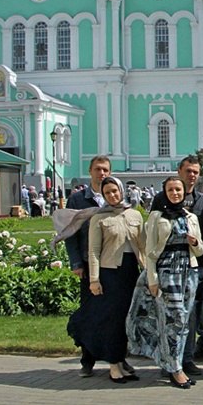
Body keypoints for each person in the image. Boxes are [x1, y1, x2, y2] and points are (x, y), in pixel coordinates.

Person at [62, 176, 144, 383]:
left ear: (122, 190)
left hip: (130, 272)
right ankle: (114, 365)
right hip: (110, 273)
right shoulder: (100, 217)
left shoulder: (134, 214)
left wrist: (148, 271)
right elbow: (94, 252)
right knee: (112, 320)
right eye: (108, 193)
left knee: (126, 318)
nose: (113, 195)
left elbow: (143, 246)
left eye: (115, 191)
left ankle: (121, 360)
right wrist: (94, 279)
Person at [127, 176, 203, 389]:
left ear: (184, 192)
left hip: (188, 273)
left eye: (178, 190)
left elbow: (200, 251)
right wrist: (152, 279)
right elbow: (150, 252)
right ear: (165, 193)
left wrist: (195, 242)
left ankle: (173, 363)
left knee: (184, 322)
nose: (175, 193)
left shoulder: (190, 217)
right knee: (173, 320)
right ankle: (175, 369)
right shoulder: (157, 217)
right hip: (167, 272)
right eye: (171, 190)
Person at [59, 156, 124, 378]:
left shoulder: (117, 200)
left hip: (114, 265)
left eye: (106, 169)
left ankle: (118, 358)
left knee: (115, 313)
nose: (102, 173)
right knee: (90, 311)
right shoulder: (79, 200)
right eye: (98, 169)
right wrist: (76, 262)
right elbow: (69, 233)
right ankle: (88, 360)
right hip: (89, 264)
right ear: (90, 171)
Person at [176, 155, 203, 375]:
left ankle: (187, 358)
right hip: (170, 266)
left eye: (196, 172)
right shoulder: (165, 198)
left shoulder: (202, 201)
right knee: (171, 314)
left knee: (191, 315)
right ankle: (170, 358)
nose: (191, 176)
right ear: (180, 171)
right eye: (188, 171)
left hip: (195, 265)